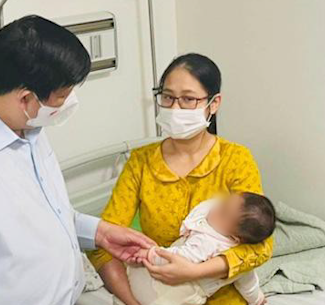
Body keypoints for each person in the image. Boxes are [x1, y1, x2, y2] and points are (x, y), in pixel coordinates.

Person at [0, 15, 154, 305]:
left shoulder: (26, 125)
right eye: (62, 96)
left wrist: (99, 234)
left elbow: (45, 217)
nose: (68, 104)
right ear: (26, 98)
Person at [88, 53, 274, 305]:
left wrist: (194, 272)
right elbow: (103, 244)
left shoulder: (235, 159)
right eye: (167, 97)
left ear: (214, 103)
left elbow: (260, 247)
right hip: (154, 292)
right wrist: (133, 303)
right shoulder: (141, 163)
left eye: (188, 99)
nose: (175, 108)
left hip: (221, 292)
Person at [121, 192, 276, 305]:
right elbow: (249, 283)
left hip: (176, 290)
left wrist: (150, 253)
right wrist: (258, 300)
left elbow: (177, 259)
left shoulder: (209, 242)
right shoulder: (241, 261)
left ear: (235, 238)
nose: (216, 207)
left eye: (222, 212)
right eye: (225, 201)